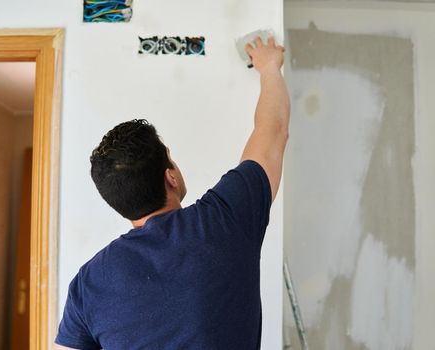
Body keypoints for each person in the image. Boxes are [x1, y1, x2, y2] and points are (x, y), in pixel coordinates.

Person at [55, 36, 290, 350]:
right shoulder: (224, 220)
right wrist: (269, 67)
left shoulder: (89, 283)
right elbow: (273, 130)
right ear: (171, 177)